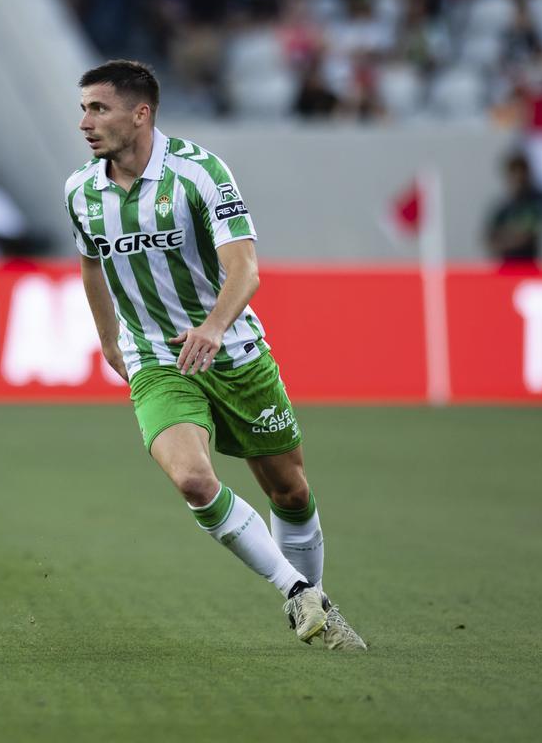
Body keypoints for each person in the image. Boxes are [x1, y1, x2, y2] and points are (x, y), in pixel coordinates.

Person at [66, 60, 366, 650]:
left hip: (234, 353)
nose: (85, 122)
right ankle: (297, 593)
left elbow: (245, 268)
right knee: (194, 481)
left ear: (140, 113)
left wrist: (211, 327)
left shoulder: (199, 174)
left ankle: (318, 600)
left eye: (98, 108)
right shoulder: (81, 190)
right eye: (82, 109)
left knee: (291, 491)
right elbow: (90, 262)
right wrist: (108, 339)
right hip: (157, 358)